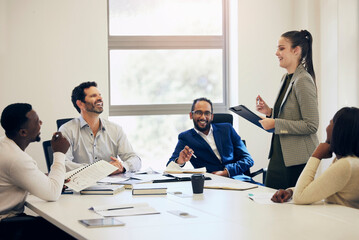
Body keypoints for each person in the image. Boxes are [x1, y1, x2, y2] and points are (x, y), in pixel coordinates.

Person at [0, 103, 74, 239]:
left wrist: (45, 179)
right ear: (23, 132)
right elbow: (52, 194)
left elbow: (17, 177)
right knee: (68, 229)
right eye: (36, 121)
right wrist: (59, 153)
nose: (41, 123)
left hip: (8, 222)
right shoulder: (16, 159)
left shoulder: (4, 145)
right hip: (6, 226)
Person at [256, 30, 319, 189]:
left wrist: (276, 123)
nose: (277, 53)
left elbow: (311, 125)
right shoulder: (286, 78)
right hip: (279, 155)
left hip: (296, 160)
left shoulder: (303, 80)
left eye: (281, 48)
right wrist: (269, 111)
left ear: (296, 50)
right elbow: (289, 114)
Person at [271, 107, 359, 209]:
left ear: (339, 130)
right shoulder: (349, 162)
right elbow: (319, 187)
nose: (327, 128)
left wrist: (316, 155)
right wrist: (290, 191)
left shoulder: (346, 165)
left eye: (330, 123)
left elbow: (300, 198)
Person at [59, 81, 141, 174]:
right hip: (81, 186)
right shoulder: (67, 130)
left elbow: (135, 159)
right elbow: (63, 164)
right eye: (93, 96)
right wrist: (99, 169)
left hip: (111, 186)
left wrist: (122, 167)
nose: (100, 98)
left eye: (100, 95)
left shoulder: (115, 129)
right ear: (80, 104)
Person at [167, 98, 254, 182]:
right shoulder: (186, 137)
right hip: (210, 184)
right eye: (198, 112)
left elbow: (248, 160)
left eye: (207, 113)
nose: (203, 117)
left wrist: (226, 172)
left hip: (239, 180)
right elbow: (169, 167)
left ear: (212, 116)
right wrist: (179, 161)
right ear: (191, 115)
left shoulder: (227, 129)